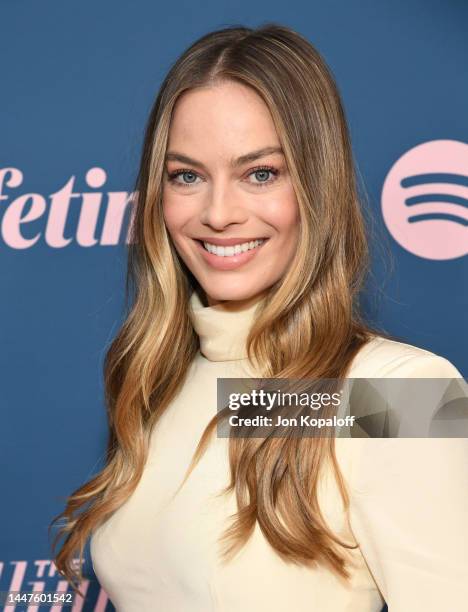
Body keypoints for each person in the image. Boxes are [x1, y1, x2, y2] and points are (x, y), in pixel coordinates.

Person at [50, 23, 468, 611]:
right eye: (186, 176)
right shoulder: (161, 381)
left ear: (318, 185)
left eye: (261, 173)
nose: (218, 213)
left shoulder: (398, 393)